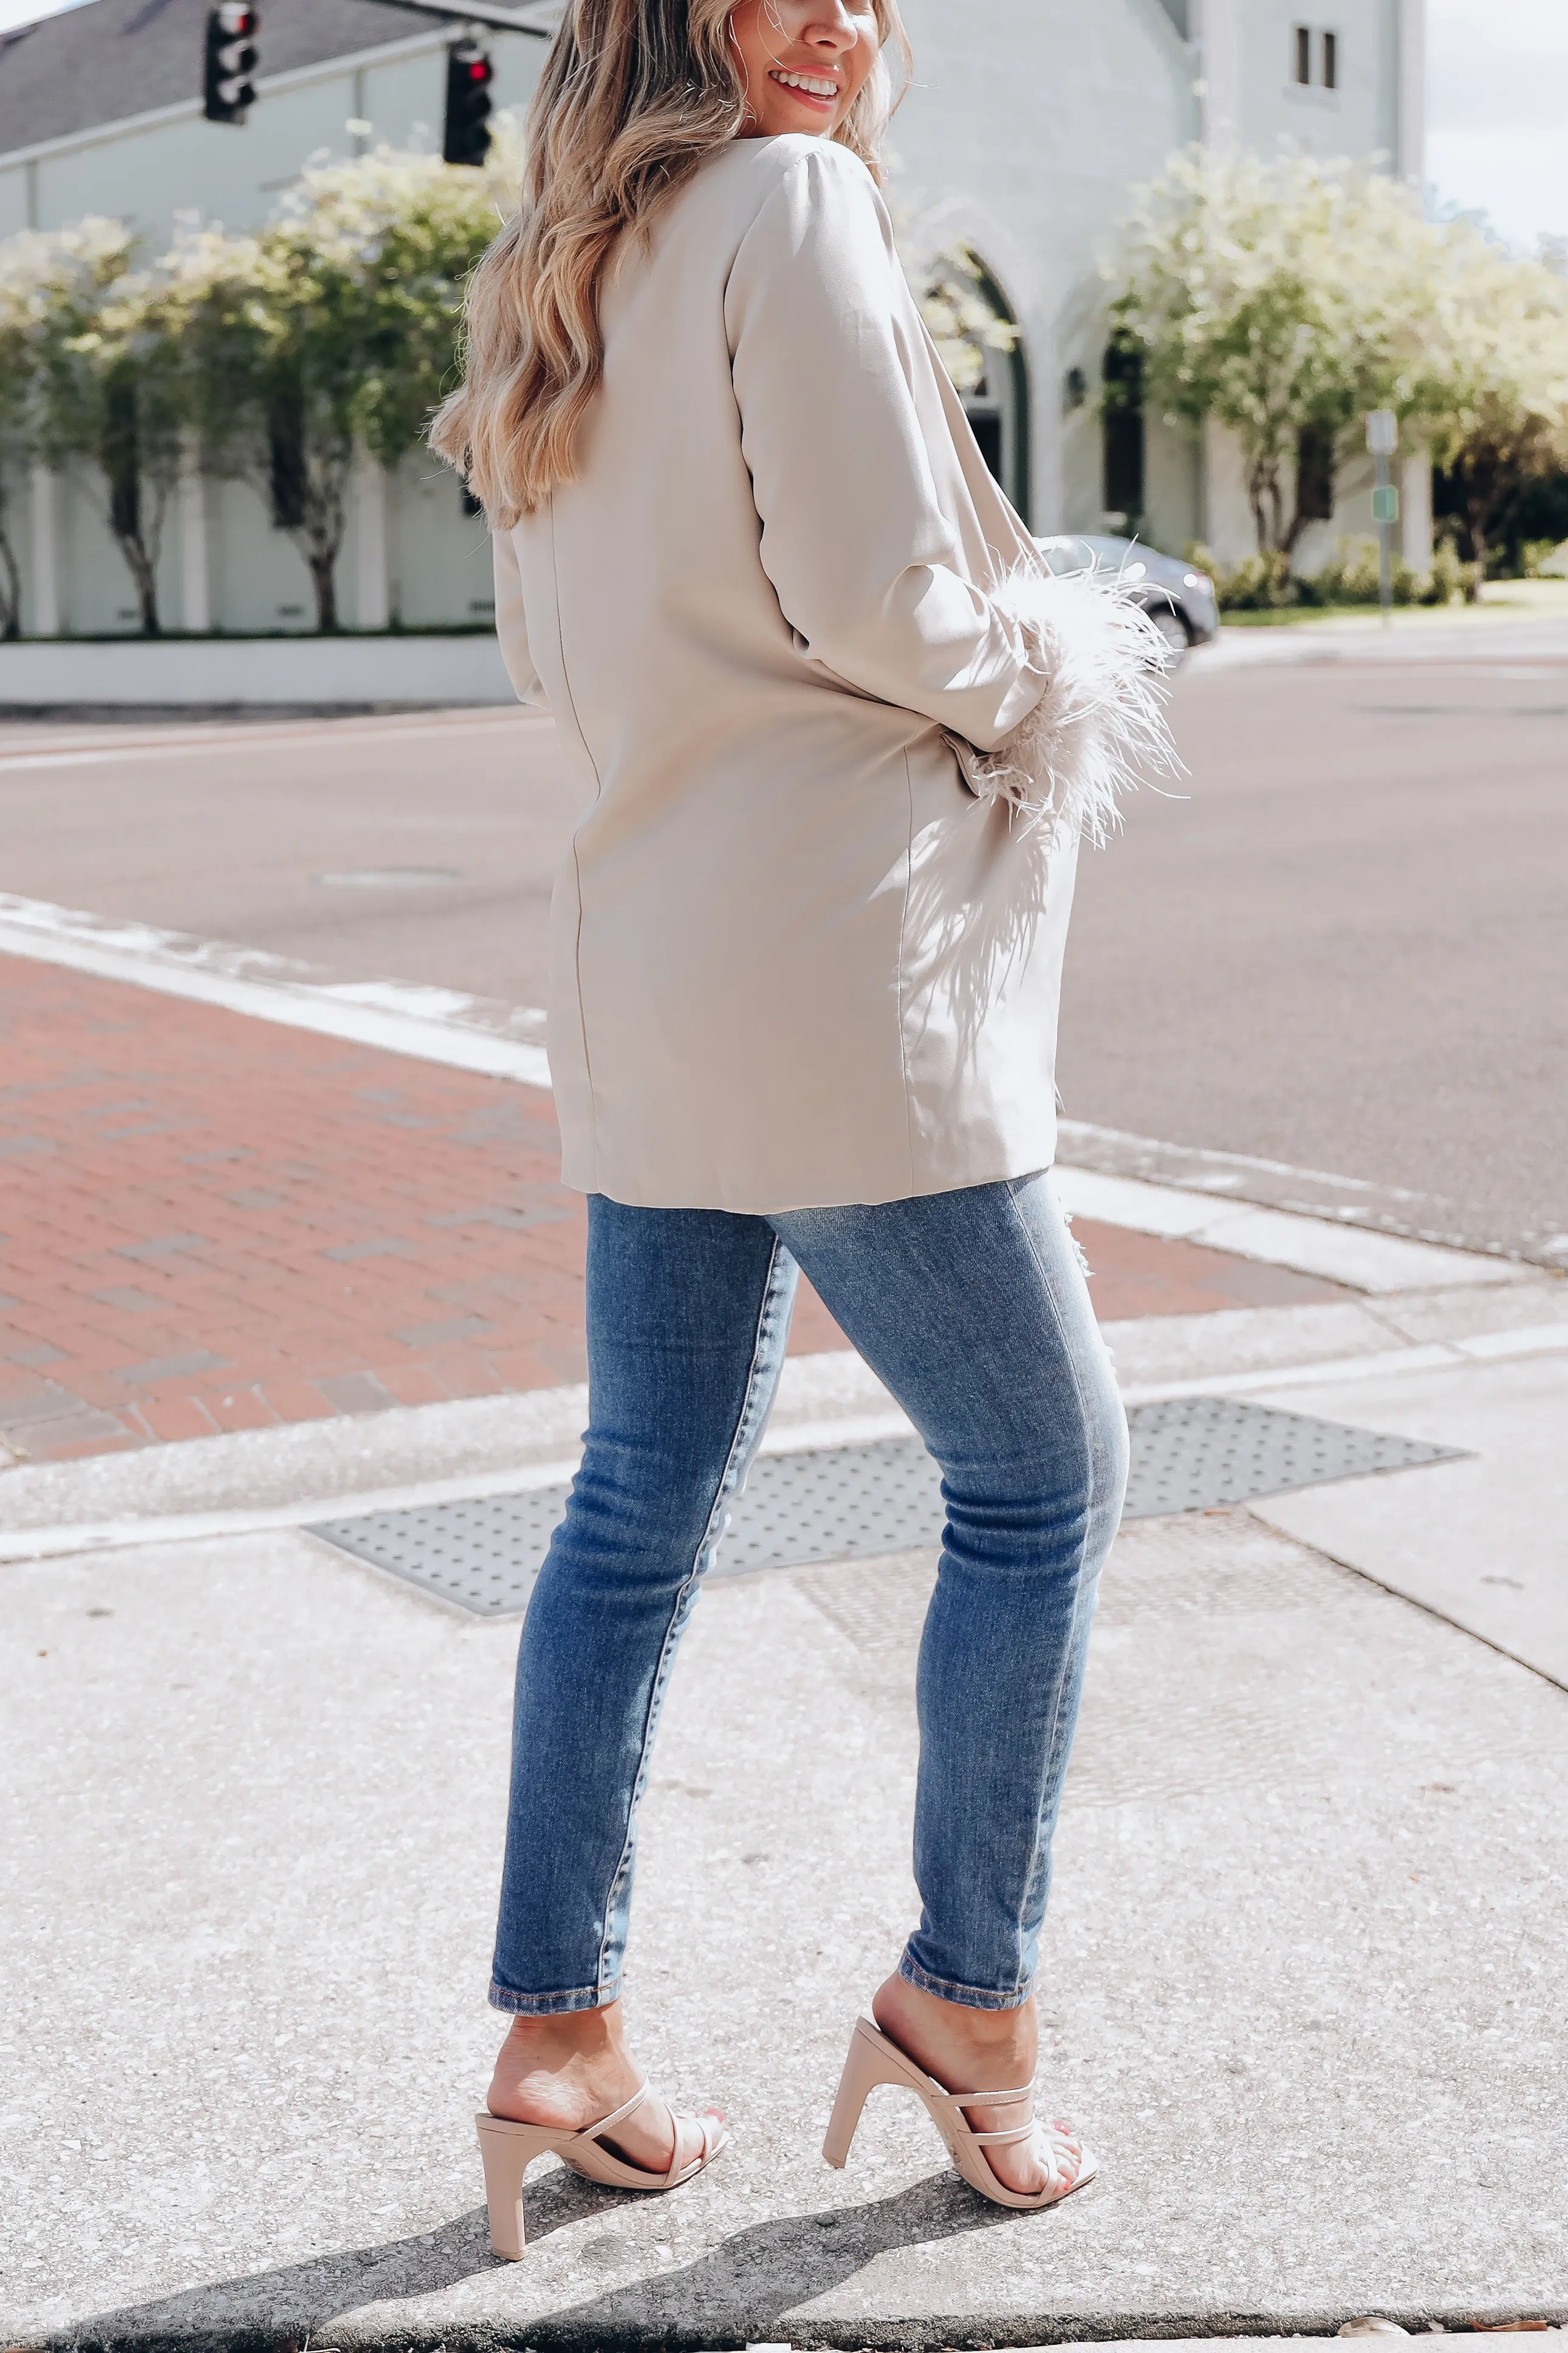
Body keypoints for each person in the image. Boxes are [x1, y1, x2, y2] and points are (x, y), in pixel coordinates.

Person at [431, 0, 1171, 2260]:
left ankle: (557, 2036)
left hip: (643, 954)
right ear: (666, 12)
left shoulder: (573, 262)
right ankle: (968, 2007)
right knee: (1043, 1481)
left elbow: (548, 665)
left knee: (640, 1501)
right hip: (844, 978)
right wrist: (1075, 651)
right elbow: (884, 601)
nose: (833, 27)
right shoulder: (791, 204)